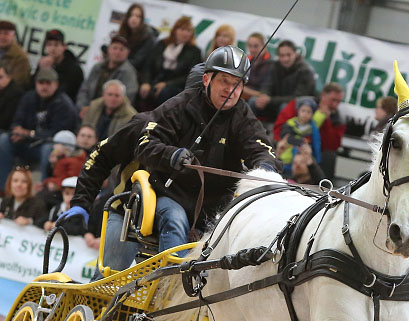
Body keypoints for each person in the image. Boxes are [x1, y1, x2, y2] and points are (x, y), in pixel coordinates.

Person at [68, 45, 281, 264]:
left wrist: (266, 169)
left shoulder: (242, 116)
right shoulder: (168, 112)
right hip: (142, 206)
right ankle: (173, 285)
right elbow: (128, 148)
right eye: (224, 81)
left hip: (211, 211)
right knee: (170, 222)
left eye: (237, 83)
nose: (230, 90)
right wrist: (80, 204)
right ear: (206, 82)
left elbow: (262, 149)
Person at [0, 68, 79, 190]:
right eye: (41, 83)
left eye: (48, 83)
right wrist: (16, 131)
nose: (44, 87)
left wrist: (31, 133)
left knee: (49, 148)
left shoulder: (64, 104)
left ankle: (42, 190)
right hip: (25, 143)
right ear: (36, 84)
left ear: (56, 85)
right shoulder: (28, 97)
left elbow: (58, 134)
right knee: (4, 139)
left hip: (46, 146)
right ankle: (0, 188)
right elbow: (16, 120)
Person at [272, 83, 345, 178]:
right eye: (333, 100)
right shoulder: (298, 104)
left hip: (313, 151)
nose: (335, 105)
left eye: (338, 102)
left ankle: (323, 187)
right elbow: (279, 129)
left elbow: (331, 146)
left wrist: (327, 121)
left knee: (329, 156)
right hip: (289, 146)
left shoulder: (338, 119)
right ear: (323, 96)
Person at [138, 16, 202, 110]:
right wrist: (145, 82)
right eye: (182, 29)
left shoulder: (195, 51)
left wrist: (167, 84)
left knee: (164, 94)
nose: (185, 33)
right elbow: (148, 65)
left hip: (176, 87)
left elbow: (191, 76)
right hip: (155, 80)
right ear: (175, 30)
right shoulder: (162, 44)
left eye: (189, 30)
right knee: (140, 91)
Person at [253, 40, 316, 121]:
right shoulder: (274, 66)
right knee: (254, 101)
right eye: (282, 55)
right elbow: (267, 84)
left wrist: (270, 100)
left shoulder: (305, 71)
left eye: (288, 55)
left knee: (285, 107)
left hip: (299, 108)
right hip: (274, 104)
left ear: (295, 54)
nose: (285, 59)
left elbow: (297, 99)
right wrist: (263, 95)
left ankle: (281, 133)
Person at [77, 35, 137, 113]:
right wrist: (83, 107)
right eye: (115, 48)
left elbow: (127, 98)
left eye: (122, 49)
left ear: (128, 52)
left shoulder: (129, 73)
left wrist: (96, 111)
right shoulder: (97, 67)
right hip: (86, 111)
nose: (117, 52)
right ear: (109, 49)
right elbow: (84, 90)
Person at [31, 29, 84, 103]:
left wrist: (48, 73)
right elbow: (31, 88)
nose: (52, 49)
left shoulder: (74, 69)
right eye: (49, 44)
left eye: (56, 45)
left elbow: (66, 94)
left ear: (64, 47)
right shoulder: (43, 63)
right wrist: (42, 71)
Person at [278, 97, 320, 168]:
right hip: (286, 158)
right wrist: (300, 141)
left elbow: (316, 143)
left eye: (308, 112)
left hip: (303, 159)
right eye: (303, 111)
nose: (305, 114)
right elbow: (286, 137)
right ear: (298, 111)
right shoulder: (290, 124)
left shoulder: (313, 128)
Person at [117, 3, 157, 75]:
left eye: (138, 16)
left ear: (142, 20)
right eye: (131, 15)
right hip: (122, 68)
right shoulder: (123, 31)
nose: (134, 18)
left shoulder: (148, 36)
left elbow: (137, 61)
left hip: (138, 73)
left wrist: (116, 65)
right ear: (127, 17)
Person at [240, 32, 271, 101]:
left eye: (256, 46)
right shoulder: (247, 61)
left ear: (264, 46)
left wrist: (243, 88)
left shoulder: (271, 64)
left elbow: (264, 93)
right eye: (250, 46)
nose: (252, 49)